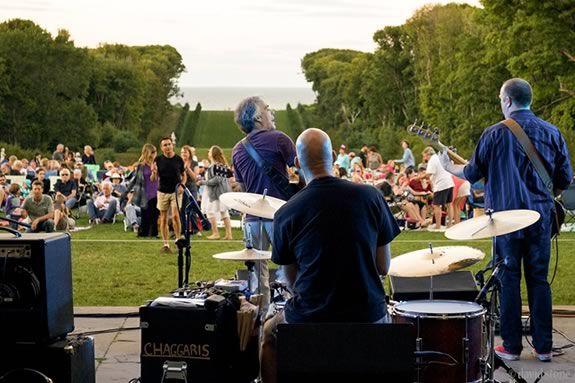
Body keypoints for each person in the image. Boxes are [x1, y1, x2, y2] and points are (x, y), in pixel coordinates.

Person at [440, 78, 573, 362]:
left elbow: (472, 172)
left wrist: (447, 165)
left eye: (501, 99)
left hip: (505, 219)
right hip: (540, 218)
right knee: (539, 280)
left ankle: (511, 346)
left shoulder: (494, 133)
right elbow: (563, 180)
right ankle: (544, 347)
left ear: (507, 101)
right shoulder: (552, 132)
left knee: (508, 279)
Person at [260, 128, 400, 383]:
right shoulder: (371, 196)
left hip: (311, 318)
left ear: (297, 163)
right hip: (368, 315)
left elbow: (292, 280)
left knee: (269, 333)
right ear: (334, 156)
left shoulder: (286, 212)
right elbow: (383, 267)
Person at [232, 96, 297, 305]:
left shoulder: (237, 149)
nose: (271, 112)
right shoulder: (279, 138)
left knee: (257, 279)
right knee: (289, 271)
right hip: (279, 216)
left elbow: (243, 189)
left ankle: (260, 322)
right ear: (259, 117)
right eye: (268, 109)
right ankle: (289, 321)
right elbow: (302, 171)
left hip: (252, 218)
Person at [154, 137, 185, 253]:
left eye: (169, 144)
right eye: (165, 145)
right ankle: (166, 244)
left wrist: (182, 185)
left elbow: (184, 175)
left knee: (176, 216)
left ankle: (178, 240)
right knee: (163, 219)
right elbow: (154, 178)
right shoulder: (158, 160)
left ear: (172, 145)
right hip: (162, 191)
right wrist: (154, 172)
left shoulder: (178, 160)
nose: (167, 147)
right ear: (162, 148)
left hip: (175, 191)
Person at [125, 144, 159, 238]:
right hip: (145, 191)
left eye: (155, 152)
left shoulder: (157, 163)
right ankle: (143, 232)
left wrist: (155, 171)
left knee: (155, 214)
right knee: (145, 214)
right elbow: (136, 179)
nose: (154, 154)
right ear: (147, 153)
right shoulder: (141, 166)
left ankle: (153, 233)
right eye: (152, 152)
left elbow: (156, 178)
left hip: (156, 191)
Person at [200, 145, 233, 240]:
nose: (208, 153)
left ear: (213, 154)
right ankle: (228, 234)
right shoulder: (219, 165)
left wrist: (203, 182)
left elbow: (217, 180)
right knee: (224, 212)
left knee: (210, 211)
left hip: (215, 192)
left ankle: (216, 233)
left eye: (209, 151)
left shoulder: (216, 166)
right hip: (219, 191)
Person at [422, 146, 454, 231]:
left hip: (441, 184)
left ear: (428, 154)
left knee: (436, 205)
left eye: (424, 156)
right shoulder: (439, 157)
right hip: (449, 181)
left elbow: (428, 174)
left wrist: (419, 177)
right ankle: (450, 224)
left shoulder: (432, 160)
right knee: (449, 204)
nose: (424, 158)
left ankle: (438, 226)